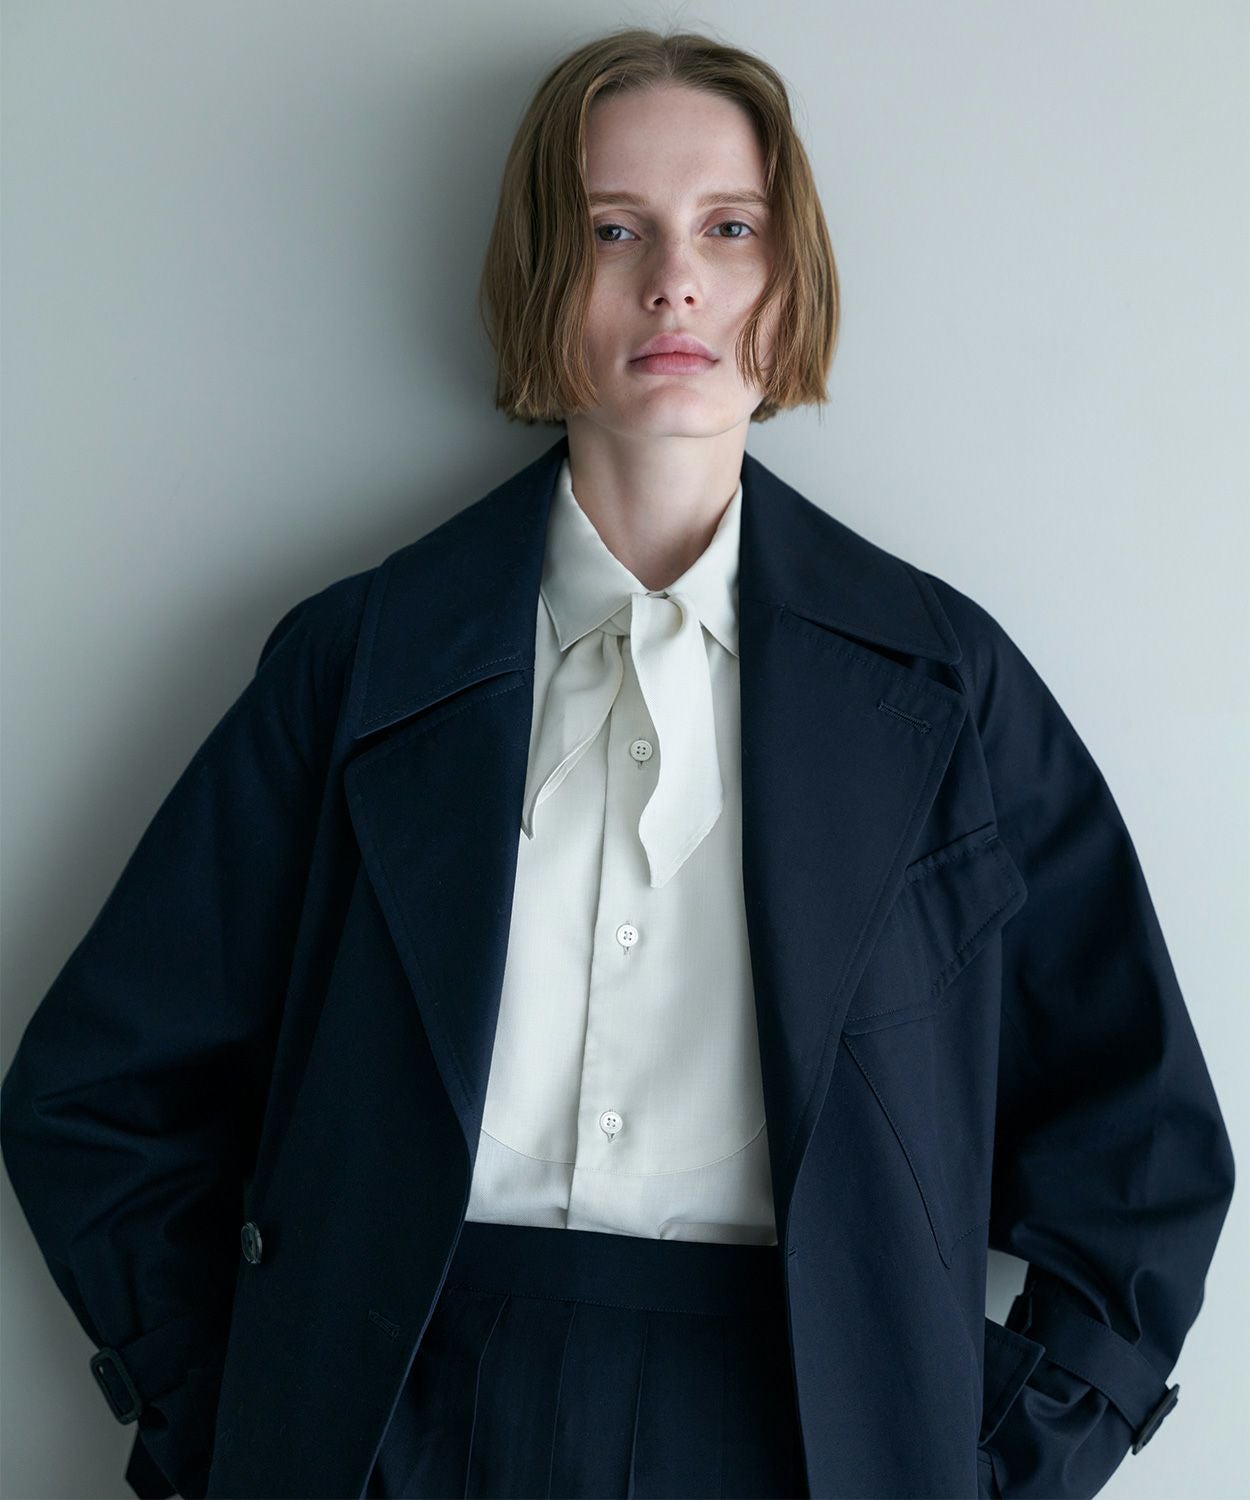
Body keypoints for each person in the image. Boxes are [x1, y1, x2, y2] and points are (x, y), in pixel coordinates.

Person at [0, 24, 1234, 1500]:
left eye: (730, 228)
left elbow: (1142, 1150)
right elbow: (94, 1092)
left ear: (791, 278)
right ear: (542, 269)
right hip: (398, 1419)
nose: (674, 282)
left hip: (804, 1432)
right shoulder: (361, 660)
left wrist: (1000, 1467)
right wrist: (238, 1424)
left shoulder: (942, 688)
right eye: (612, 229)